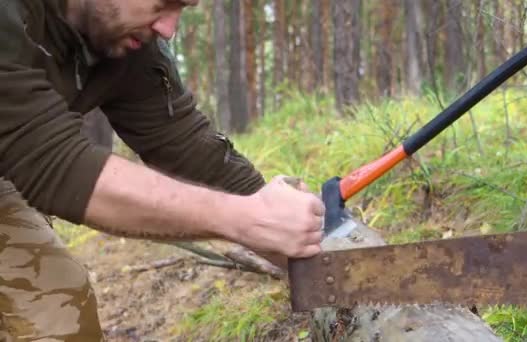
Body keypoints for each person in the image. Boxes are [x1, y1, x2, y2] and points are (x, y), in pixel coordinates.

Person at [0, 0, 325, 340]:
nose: (169, 29)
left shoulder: (126, 42)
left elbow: (184, 144)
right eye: (162, 4)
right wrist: (243, 219)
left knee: (58, 311)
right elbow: (52, 162)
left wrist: (299, 243)